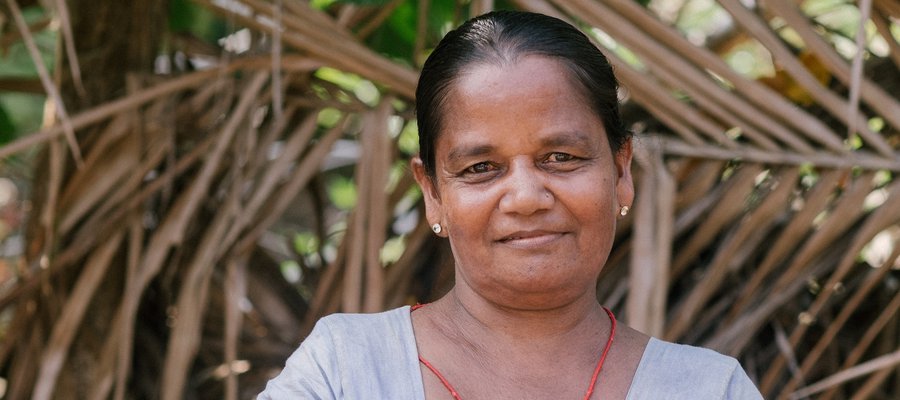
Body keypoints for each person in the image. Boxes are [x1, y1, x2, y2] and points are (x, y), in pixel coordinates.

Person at [259, 10, 762, 399]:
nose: (525, 198)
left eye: (561, 157)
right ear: (433, 193)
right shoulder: (346, 370)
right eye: (481, 168)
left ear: (621, 172)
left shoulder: (707, 388)